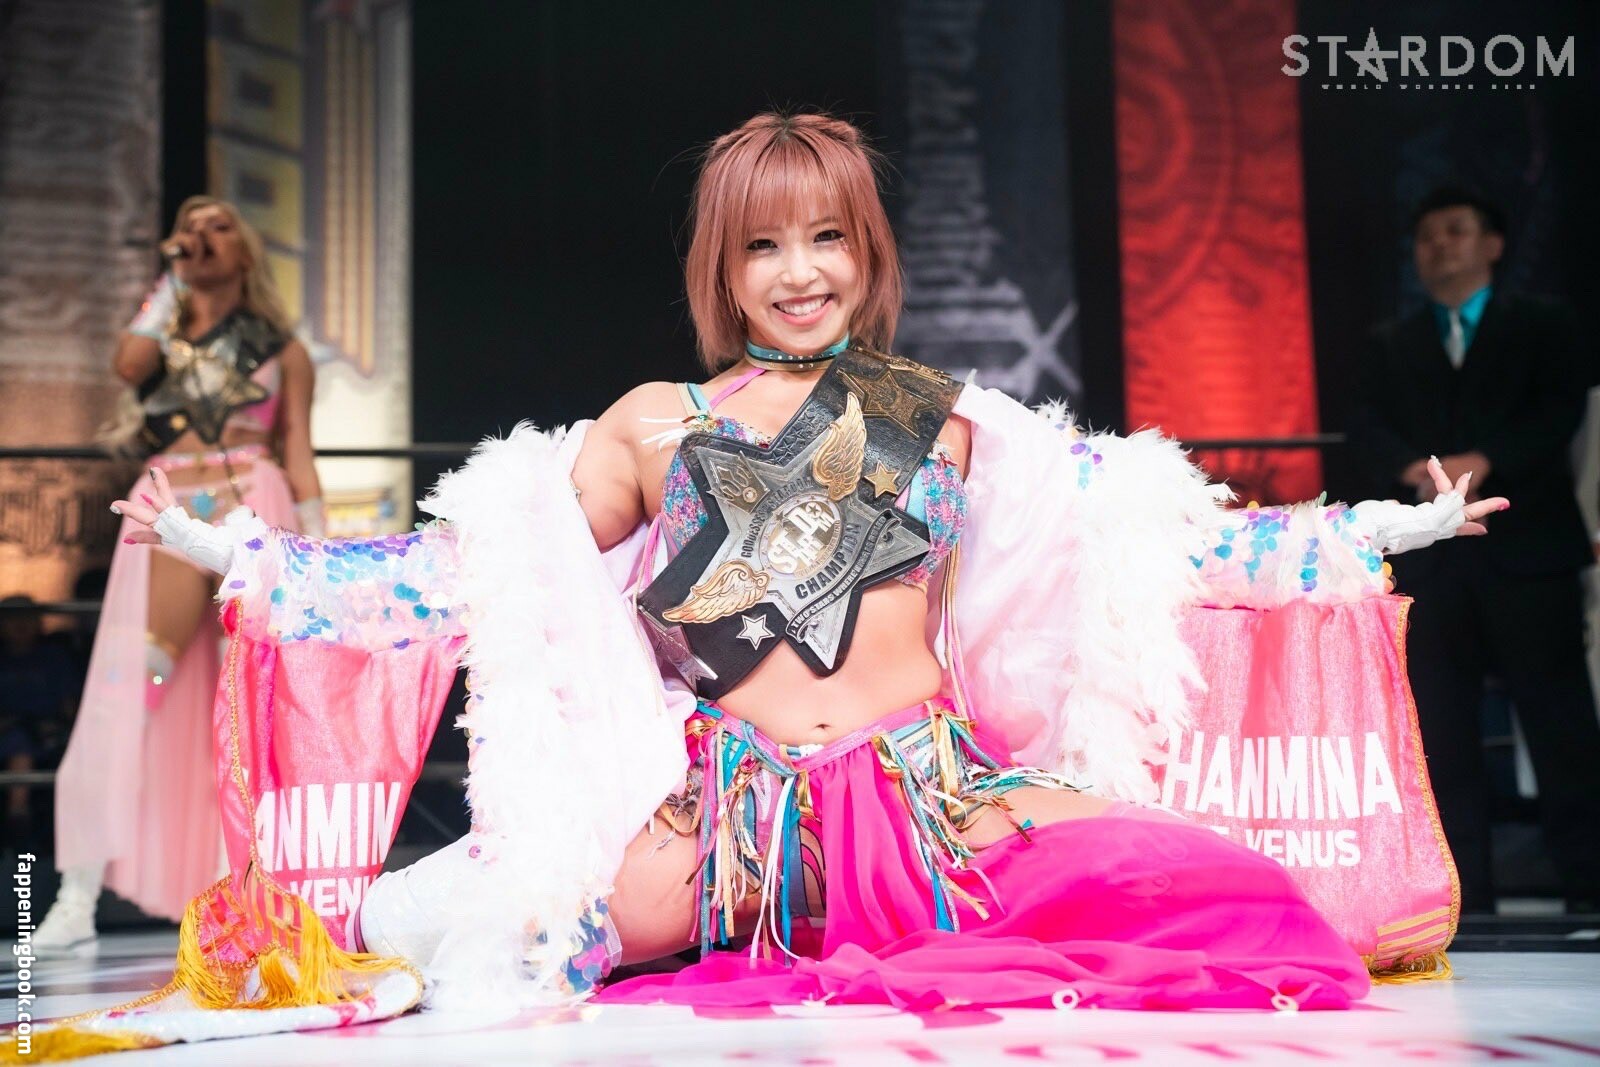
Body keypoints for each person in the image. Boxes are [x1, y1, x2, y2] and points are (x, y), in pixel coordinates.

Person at [104, 115, 1502, 1036]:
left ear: (865, 251)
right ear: (724, 267)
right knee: (485, 940)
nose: (798, 271)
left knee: (1228, 894)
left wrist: (1388, 528)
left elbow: (1159, 534)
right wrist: (246, 553)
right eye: (763, 244)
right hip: (736, 815)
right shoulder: (652, 425)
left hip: (933, 794)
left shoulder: (951, 415)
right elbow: (474, 570)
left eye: (826, 236)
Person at [33, 197, 324, 953]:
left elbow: (297, 448)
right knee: (133, 687)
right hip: (170, 506)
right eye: (190, 225)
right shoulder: (162, 336)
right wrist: (172, 278)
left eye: (218, 224)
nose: (201, 234)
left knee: (250, 699)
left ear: (247, 249)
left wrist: (319, 549)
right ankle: (76, 895)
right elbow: (127, 365)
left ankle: (253, 889)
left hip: (251, 505)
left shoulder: (284, 350)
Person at [1350, 185, 1600, 914]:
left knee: (1560, 724)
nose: (1441, 245)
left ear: (1493, 244)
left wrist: (1485, 460)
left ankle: (1589, 887)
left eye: (1457, 230)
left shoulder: (1544, 324)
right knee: (1440, 731)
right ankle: (1462, 899)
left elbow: (1559, 412)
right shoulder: (1388, 342)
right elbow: (1363, 423)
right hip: (1431, 563)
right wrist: (1411, 471)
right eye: (1428, 235)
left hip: (1528, 554)